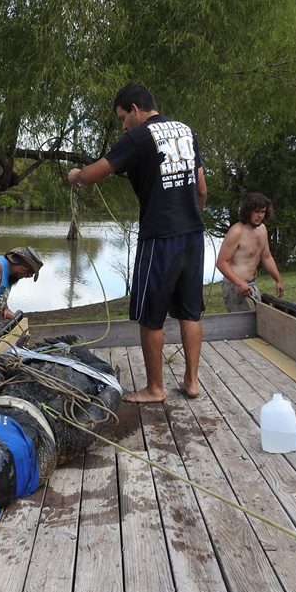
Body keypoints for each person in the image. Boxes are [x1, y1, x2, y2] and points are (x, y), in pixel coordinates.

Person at [68, 82, 207, 402]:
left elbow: (92, 176)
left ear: (134, 109)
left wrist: (76, 174)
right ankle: (192, 382)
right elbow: (201, 188)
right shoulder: (186, 131)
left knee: (150, 315)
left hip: (160, 238)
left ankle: (156, 388)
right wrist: (189, 217)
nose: (122, 125)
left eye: (122, 117)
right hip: (192, 236)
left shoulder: (138, 136)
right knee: (190, 311)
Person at [215, 193, 284, 312]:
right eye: (256, 212)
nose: (260, 216)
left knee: (258, 322)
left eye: (263, 212)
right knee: (247, 327)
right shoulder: (236, 231)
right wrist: (238, 282)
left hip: (251, 285)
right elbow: (221, 263)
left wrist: (278, 280)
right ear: (248, 211)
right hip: (235, 286)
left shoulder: (262, 229)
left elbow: (266, 257)